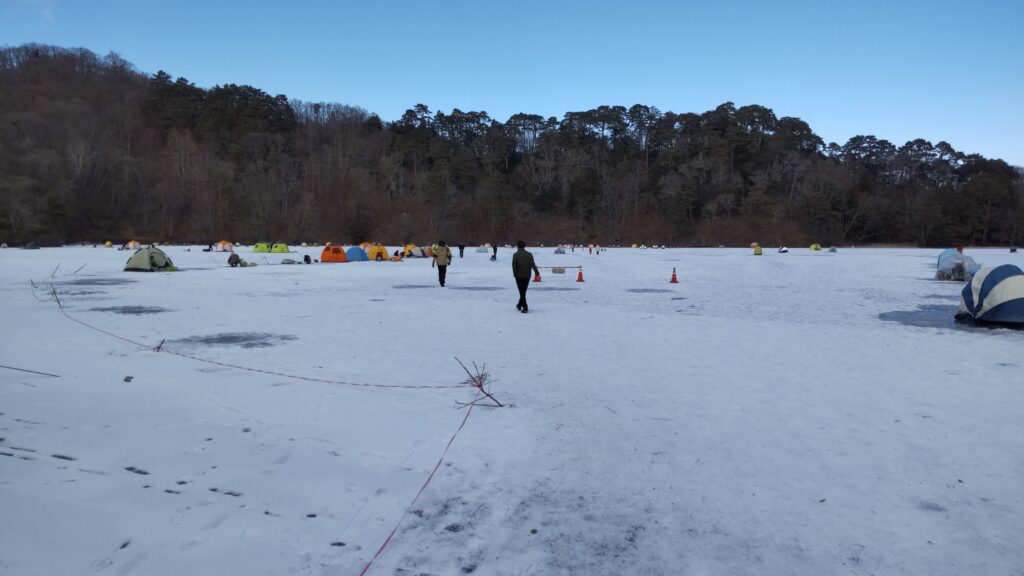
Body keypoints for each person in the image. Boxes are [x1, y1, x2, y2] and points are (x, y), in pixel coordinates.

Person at [512, 241, 540, 313]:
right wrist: (536, 272)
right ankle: (519, 304)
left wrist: (515, 274)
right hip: (527, 275)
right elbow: (533, 264)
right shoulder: (529, 254)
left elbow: (514, 266)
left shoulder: (515, 255)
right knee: (523, 291)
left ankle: (525, 307)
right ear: (524, 246)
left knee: (522, 292)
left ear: (517, 246)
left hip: (518, 276)